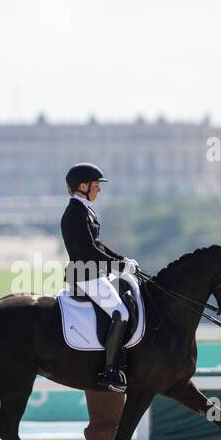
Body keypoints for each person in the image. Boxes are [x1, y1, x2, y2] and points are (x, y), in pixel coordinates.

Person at [61, 162, 137, 393]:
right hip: (84, 275)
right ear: (83, 186)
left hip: (94, 273)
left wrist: (122, 259)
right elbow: (87, 251)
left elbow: (98, 245)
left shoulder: (84, 209)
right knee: (121, 313)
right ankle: (110, 371)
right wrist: (118, 265)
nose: (99, 190)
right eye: (96, 185)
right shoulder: (75, 212)